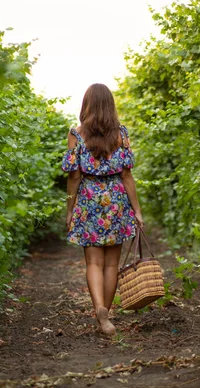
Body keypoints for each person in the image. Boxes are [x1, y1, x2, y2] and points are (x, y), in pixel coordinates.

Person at [62, 83, 144, 336]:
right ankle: (105, 314)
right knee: (112, 264)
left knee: (93, 263)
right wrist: (137, 210)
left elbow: (74, 176)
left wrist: (70, 208)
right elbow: (127, 176)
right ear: (110, 105)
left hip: (88, 199)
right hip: (116, 200)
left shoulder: (76, 134)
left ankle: (99, 309)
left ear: (86, 104)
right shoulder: (121, 134)